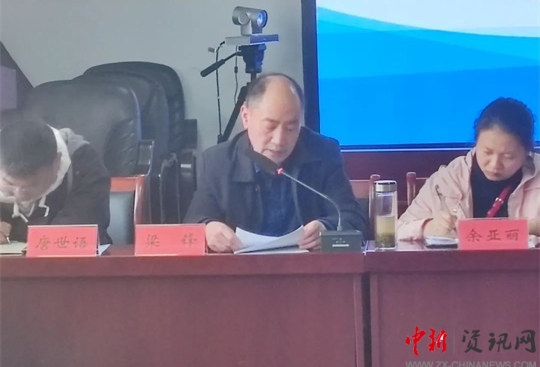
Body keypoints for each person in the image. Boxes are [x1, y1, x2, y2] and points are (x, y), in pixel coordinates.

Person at [184, 73, 367, 252]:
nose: (279, 141)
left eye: (291, 128)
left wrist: (327, 227)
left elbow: (353, 219)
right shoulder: (218, 162)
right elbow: (192, 226)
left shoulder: (323, 153)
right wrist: (209, 229)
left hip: (308, 268)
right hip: (242, 269)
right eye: (270, 127)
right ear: (246, 117)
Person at [398, 97, 540, 241]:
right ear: (476, 143)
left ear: (527, 151)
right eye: (487, 152)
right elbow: (399, 230)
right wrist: (428, 227)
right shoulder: (449, 179)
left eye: (508, 156)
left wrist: (533, 228)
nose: (494, 165)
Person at [0, 117, 111, 244]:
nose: (20, 194)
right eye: (9, 183)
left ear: (57, 162)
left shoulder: (84, 164)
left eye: (31, 185)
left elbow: (76, 232)